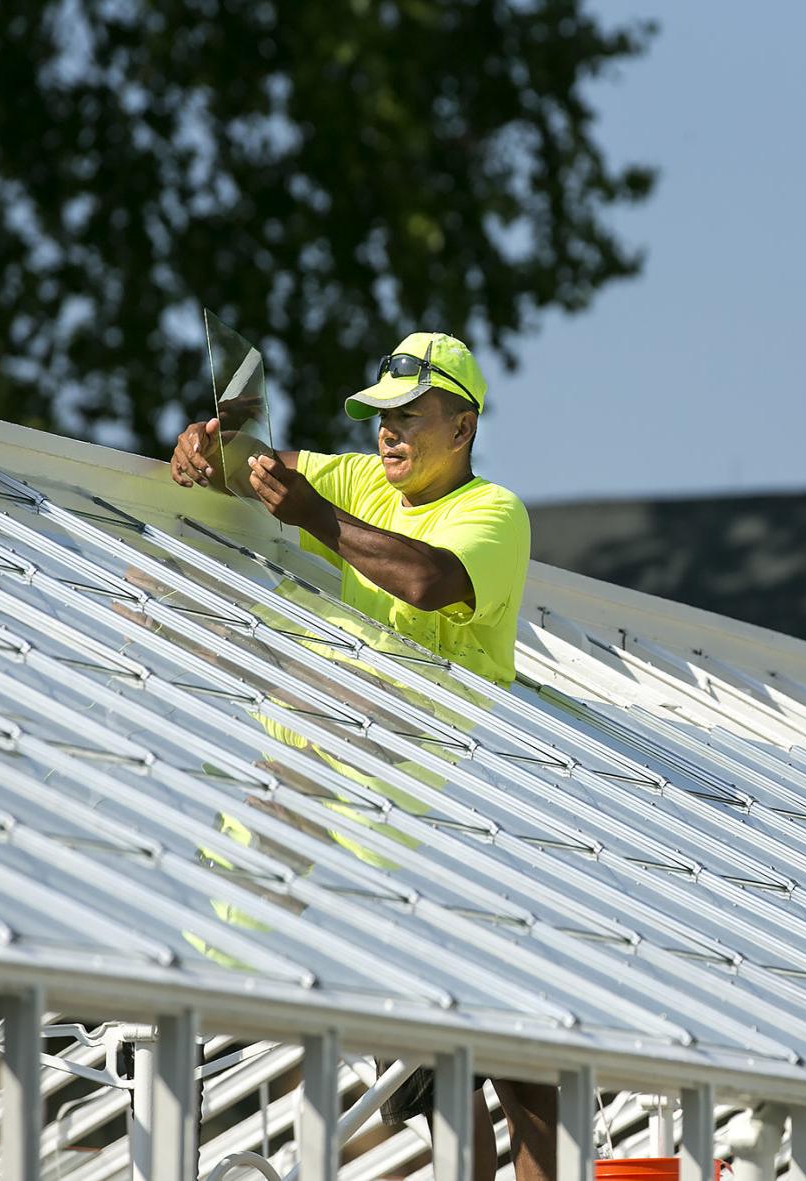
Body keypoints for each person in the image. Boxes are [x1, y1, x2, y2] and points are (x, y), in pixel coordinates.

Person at [170, 331, 553, 1181]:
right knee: (406, 1063)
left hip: (423, 827)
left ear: (462, 428)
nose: (386, 434)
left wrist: (312, 515)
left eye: (408, 418)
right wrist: (209, 443)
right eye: (379, 416)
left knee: (498, 1056)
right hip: (302, 801)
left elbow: (427, 579)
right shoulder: (353, 480)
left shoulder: (493, 513)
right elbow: (255, 462)